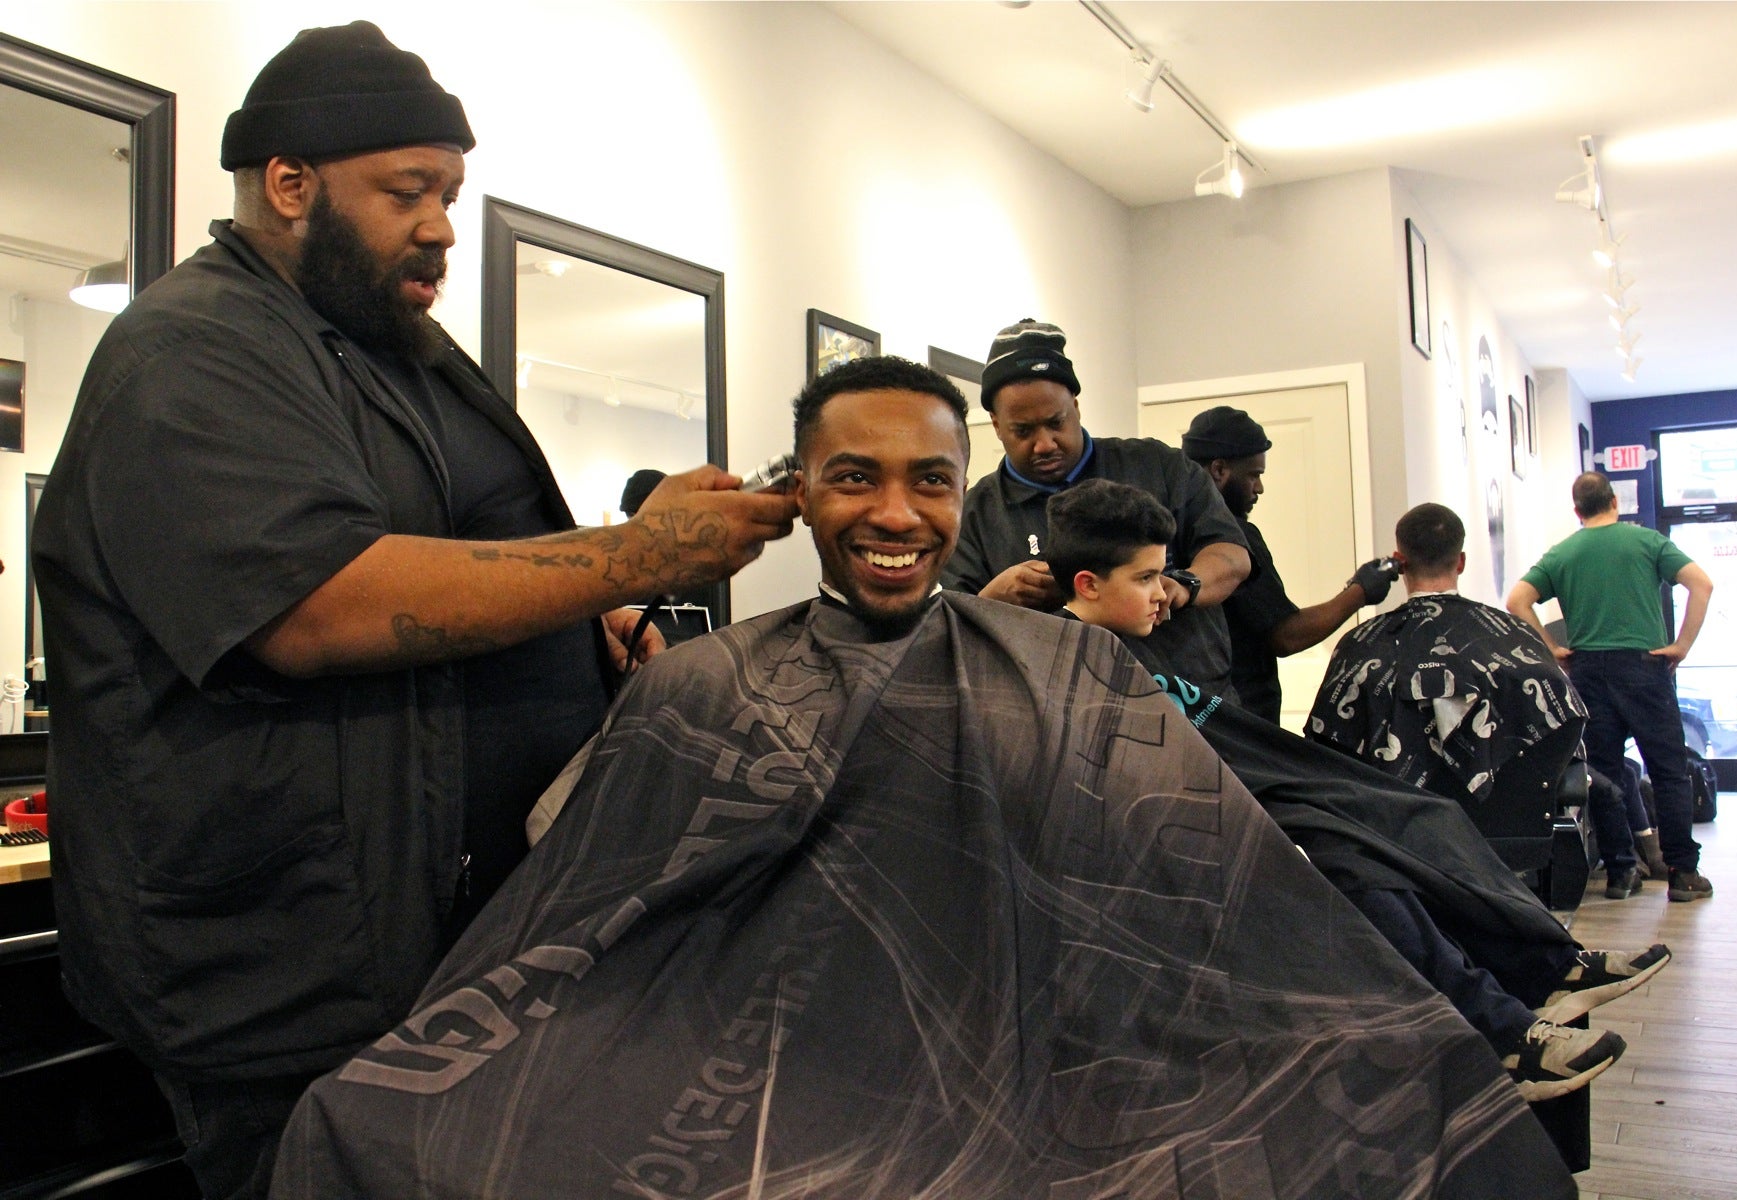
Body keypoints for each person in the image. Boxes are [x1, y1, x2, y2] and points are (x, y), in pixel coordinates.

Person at [275, 358, 1579, 1198]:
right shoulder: (702, 680)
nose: (894, 513)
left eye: (928, 481)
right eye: (855, 479)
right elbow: (593, 897)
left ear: (965, 496)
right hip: (779, 1051)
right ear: (801, 498)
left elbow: (1193, 890)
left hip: (1048, 1039)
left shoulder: (1070, 672)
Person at [30, 23, 795, 1198]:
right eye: (409, 190)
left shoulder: (390, 348)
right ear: (290, 184)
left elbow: (459, 547)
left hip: (456, 952)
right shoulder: (189, 353)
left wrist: (574, 617)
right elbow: (316, 604)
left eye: (452, 190)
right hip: (295, 979)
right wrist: (630, 558)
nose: (441, 222)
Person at [1044, 480, 1668, 1102]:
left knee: (1405, 815)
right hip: (1176, 832)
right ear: (1087, 585)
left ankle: (1543, 974)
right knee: (1355, 856)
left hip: (1228, 793)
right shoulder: (1069, 661)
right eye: (1147, 579)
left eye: (1164, 575)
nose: (1166, 594)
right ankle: (1509, 1026)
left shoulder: (1122, 647)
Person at [1308, 503, 1643, 900]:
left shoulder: (1362, 646)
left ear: (1399, 562)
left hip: (1396, 841)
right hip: (1505, 835)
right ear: (1462, 561)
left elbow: (1324, 752)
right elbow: (1564, 730)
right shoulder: (1515, 638)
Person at [942, 319, 1250, 696]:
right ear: (995, 425)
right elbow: (950, 631)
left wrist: (1183, 585)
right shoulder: (975, 513)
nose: (1044, 444)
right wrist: (995, 599)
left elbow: (1232, 557)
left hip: (1194, 702)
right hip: (1063, 716)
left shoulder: (1158, 466)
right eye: (1023, 431)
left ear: (1075, 406)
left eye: (1056, 423)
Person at [1507, 473, 1715, 903]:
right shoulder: (1647, 542)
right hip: (1645, 668)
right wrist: (1682, 645)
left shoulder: (1563, 553)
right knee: (1669, 770)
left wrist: (1553, 649)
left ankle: (1622, 872)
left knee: (1602, 772)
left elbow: (1517, 601)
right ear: (1614, 501)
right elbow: (1702, 583)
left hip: (1587, 670)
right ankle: (1681, 873)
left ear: (1577, 510)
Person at [1180, 406, 1398, 723]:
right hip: (1239, 724)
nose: (1259, 488)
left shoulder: (1168, 526)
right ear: (1219, 469)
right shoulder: (1233, 538)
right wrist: (1360, 591)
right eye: (1254, 475)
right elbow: (1286, 635)